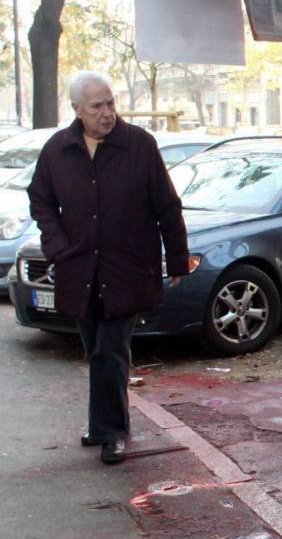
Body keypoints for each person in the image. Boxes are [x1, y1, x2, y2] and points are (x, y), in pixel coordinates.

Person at [27, 71, 189, 465]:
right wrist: (57, 246)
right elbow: (40, 201)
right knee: (94, 347)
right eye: (97, 106)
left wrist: (178, 257)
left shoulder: (139, 145)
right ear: (77, 110)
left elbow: (166, 205)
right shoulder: (58, 150)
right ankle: (105, 425)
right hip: (80, 269)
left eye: (111, 103)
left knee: (110, 350)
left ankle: (112, 432)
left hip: (129, 268)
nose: (107, 113)